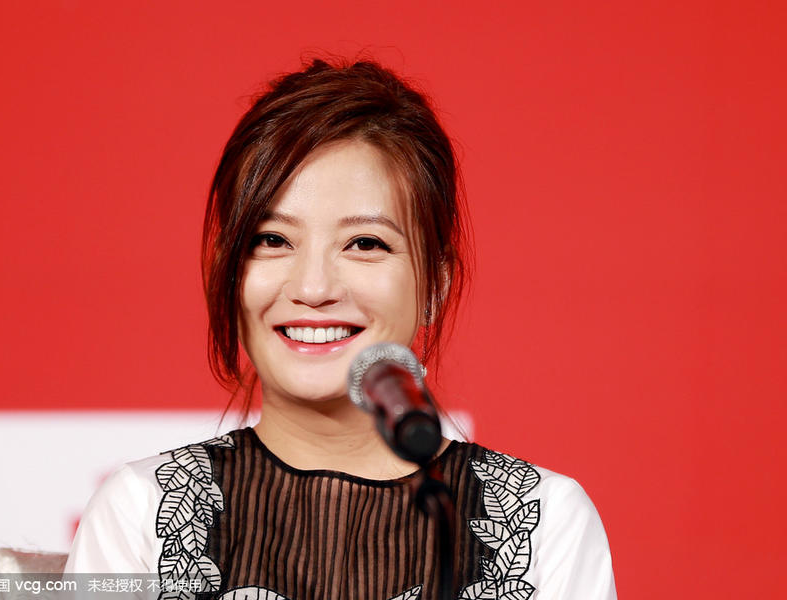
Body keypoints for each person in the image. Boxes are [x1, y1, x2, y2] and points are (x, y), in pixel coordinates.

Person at [65, 59, 616, 600]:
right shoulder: (139, 512)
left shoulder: (546, 524)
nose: (313, 287)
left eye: (365, 243)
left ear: (436, 283)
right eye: (272, 240)